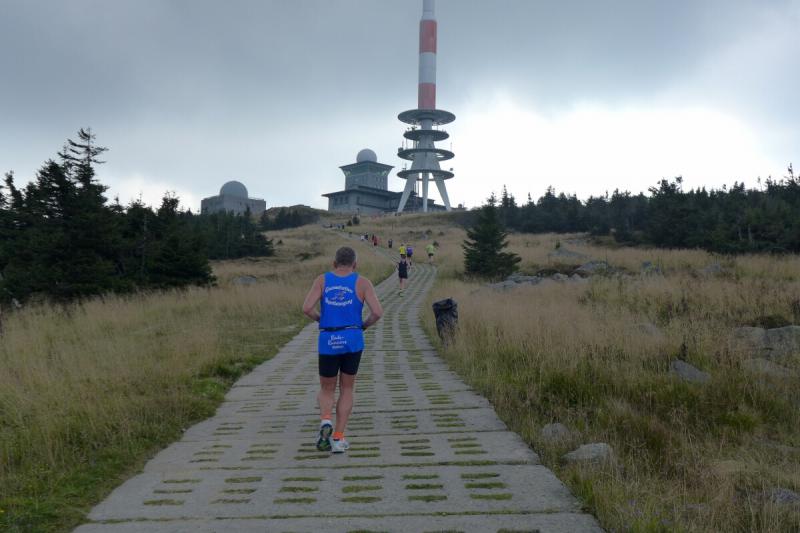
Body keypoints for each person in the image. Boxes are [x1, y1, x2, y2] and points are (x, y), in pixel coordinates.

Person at [302, 247, 383, 453]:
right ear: (355, 264)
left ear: (334, 263)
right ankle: (338, 438)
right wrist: (363, 326)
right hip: (352, 340)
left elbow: (306, 308)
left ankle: (325, 419)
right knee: (347, 388)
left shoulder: (322, 280)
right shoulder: (363, 283)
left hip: (328, 339)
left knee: (326, 389)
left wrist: (322, 320)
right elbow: (377, 312)